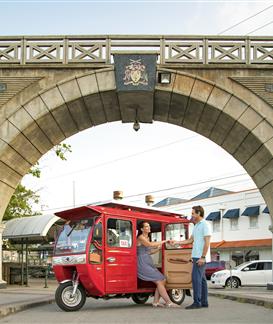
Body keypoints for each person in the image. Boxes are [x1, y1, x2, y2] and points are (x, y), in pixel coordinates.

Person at [174, 205, 211, 309]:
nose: (192, 215)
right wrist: (177, 242)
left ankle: (197, 302)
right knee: (202, 280)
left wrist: (203, 257)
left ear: (199, 213)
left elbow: (207, 242)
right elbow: (190, 240)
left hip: (200, 257)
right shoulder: (196, 226)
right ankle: (204, 302)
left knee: (196, 279)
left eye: (193, 213)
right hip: (196, 256)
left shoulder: (205, 225)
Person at [137, 221, 179, 308]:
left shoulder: (147, 237)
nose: (149, 228)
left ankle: (156, 302)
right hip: (142, 262)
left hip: (147, 261)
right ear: (141, 229)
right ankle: (168, 302)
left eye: (149, 226)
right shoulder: (141, 237)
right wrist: (164, 241)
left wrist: (158, 249)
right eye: (146, 226)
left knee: (161, 281)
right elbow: (150, 244)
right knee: (160, 279)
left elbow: (149, 251)